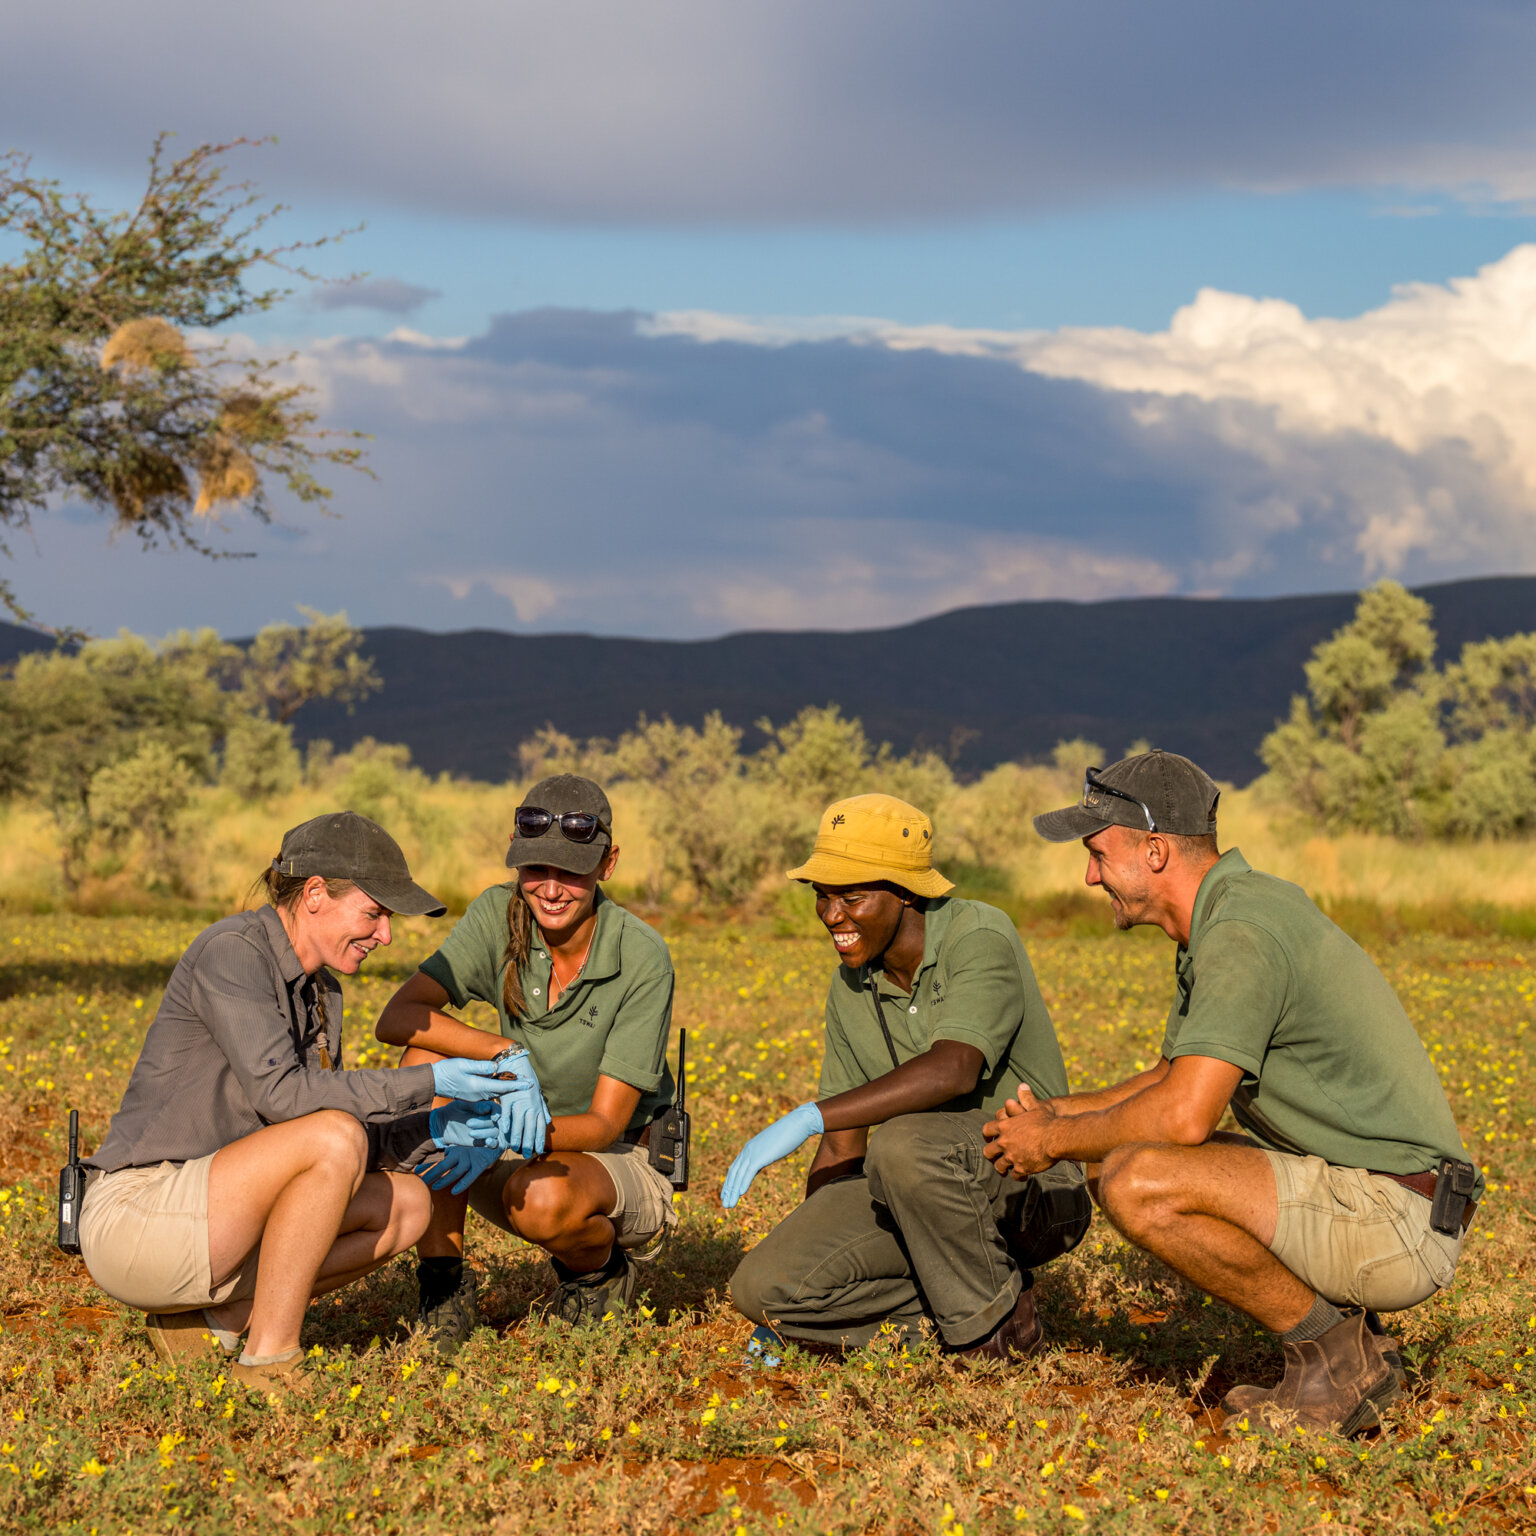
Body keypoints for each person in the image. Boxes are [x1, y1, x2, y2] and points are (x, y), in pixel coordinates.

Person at [984, 749, 1481, 1435]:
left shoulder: (1242, 932)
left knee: (1136, 1179)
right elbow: (1168, 1078)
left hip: (1402, 1220)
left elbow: (1183, 1116)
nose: (1089, 873)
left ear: (1155, 852)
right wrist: (1058, 1114)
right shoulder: (1225, 916)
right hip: (1388, 1195)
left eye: (1099, 852)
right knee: (1113, 1154)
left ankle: (1338, 1356)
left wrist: (1047, 1139)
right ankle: (1346, 1339)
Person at [80, 812, 518, 1393]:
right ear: (314, 894)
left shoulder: (320, 991)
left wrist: (440, 1126)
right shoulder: (231, 951)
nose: (385, 935)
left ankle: (215, 1323)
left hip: (214, 1216)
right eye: (375, 912)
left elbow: (327, 1135)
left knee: (408, 1204)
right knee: (334, 1135)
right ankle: (269, 1363)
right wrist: (432, 1078)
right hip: (136, 1218)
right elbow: (286, 1098)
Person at [725, 794, 1080, 1361]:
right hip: (912, 1184)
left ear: (908, 891)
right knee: (763, 1286)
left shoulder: (977, 935)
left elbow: (956, 1069)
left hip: (1034, 1184)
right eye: (822, 895)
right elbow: (843, 1146)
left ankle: (993, 1334)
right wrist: (812, 1247)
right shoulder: (850, 986)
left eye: (853, 896)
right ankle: (947, 1312)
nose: (832, 915)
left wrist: (810, 1114)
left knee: (902, 1143)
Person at [375, 774, 678, 1353]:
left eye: (572, 871)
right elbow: (399, 1017)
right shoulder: (498, 913)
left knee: (544, 1201)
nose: (551, 888)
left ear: (607, 864)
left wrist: (492, 1133)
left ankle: (597, 1272)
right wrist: (502, 1053)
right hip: (511, 1141)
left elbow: (607, 1124)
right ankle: (443, 1286)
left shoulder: (641, 954)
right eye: (535, 869)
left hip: (609, 1158)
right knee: (427, 1058)